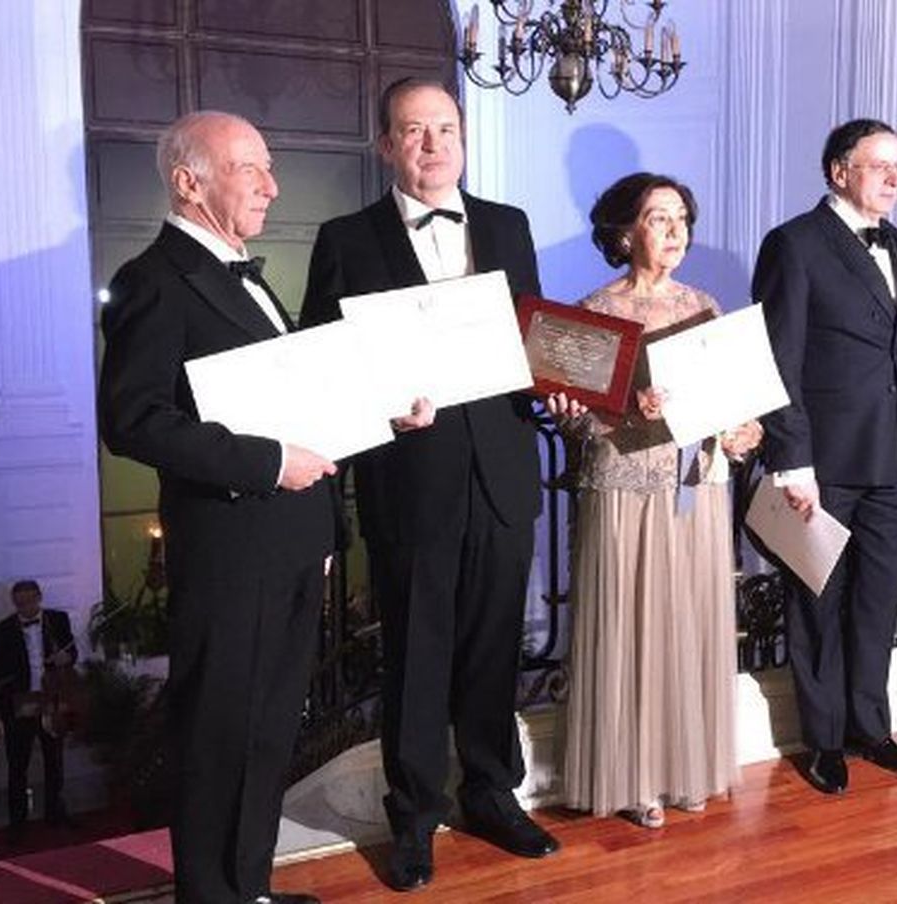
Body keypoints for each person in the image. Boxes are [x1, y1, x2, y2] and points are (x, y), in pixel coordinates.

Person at [301, 77, 556, 892]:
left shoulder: (509, 225)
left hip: (504, 472)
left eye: (445, 128)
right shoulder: (345, 237)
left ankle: (490, 793)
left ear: (462, 137)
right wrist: (382, 408)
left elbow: (534, 339)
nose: (433, 145)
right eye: (414, 132)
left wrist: (549, 382)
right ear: (385, 145)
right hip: (411, 480)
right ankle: (412, 820)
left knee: (492, 647)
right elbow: (322, 362)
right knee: (415, 656)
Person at [99, 110, 336, 904]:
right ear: (188, 181)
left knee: (268, 733)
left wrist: (374, 413)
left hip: (293, 542)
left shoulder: (246, 270)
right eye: (251, 169)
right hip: (232, 550)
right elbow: (132, 420)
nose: (272, 185)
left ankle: (249, 890)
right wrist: (269, 462)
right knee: (219, 735)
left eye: (270, 167)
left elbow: (286, 397)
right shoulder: (153, 279)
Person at [548, 173, 759, 828]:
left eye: (682, 218)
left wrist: (743, 429)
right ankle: (634, 777)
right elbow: (576, 424)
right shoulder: (592, 311)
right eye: (659, 217)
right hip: (622, 486)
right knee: (630, 628)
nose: (675, 230)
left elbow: (739, 408)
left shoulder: (707, 307)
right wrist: (600, 413)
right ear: (624, 231)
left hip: (694, 486)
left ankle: (684, 769)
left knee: (686, 622)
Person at [754, 118, 897, 795]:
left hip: (893, 459)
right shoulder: (794, 245)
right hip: (823, 464)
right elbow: (780, 359)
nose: (893, 177)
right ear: (838, 172)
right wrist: (792, 460)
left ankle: (870, 728)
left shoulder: (893, 240)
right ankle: (823, 740)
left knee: (878, 601)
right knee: (817, 603)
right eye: (878, 165)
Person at [0, 579, 77, 841]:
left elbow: (73, 653)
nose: (25, 608)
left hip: (52, 699)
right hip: (19, 703)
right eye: (20, 604)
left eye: (29, 601)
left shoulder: (57, 620)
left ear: (39, 597)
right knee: (17, 765)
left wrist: (67, 658)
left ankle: (55, 814)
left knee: (55, 761)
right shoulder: (0, 631)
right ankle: (18, 824)